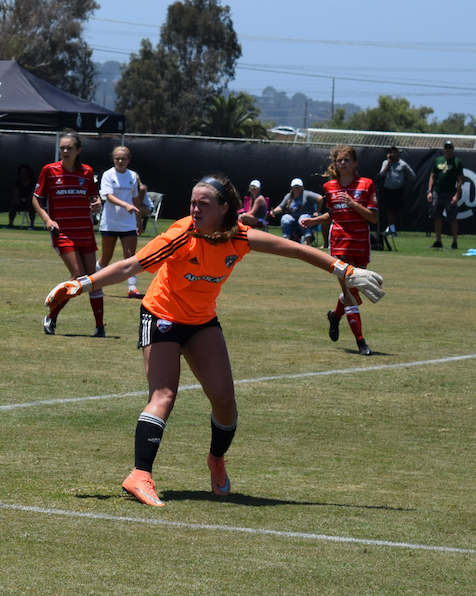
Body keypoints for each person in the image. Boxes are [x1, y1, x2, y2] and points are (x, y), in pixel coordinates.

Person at [44, 173, 385, 507]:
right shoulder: (180, 235)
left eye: (203, 204)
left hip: (202, 320)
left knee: (225, 403)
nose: (195, 209)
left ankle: (216, 459)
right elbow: (129, 266)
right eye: (192, 203)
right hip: (161, 316)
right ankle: (140, 475)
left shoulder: (241, 236)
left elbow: (296, 250)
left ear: (224, 208)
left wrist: (345, 270)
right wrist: (82, 284)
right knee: (164, 395)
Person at [299, 145, 380, 355]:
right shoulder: (330, 187)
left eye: (346, 160)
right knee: (349, 293)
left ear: (354, 163)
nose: (342, 163)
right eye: (339, 160)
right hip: (339, 243)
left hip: (360, 243)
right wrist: (313, 221)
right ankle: (361, 342)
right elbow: (332, 214)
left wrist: (353, 203)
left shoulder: (366, 184)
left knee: (356, 290)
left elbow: (373, 217)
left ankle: (335, 316)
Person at [33, 130, 105, 337]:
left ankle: (99, 327)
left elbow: (94, 198)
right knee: (79, 276)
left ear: (78, 150)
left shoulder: (87, 172)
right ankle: (52, 317)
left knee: (93, 280)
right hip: (63, 233)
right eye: (62, 147)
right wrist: (48, 220)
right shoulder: (50, 170)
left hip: (85, 232)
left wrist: (98, 204)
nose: (65, 150)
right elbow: (36, 199)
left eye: (69, 147)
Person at [98, 146, 150, 298]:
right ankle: (94, 283)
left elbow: (135, 199)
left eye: (123, 158)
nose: (120, 161)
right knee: (105, 258)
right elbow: (108, 196)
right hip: (110, 221)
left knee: (131, 257)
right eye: (117, 158)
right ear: (113, 159)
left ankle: (132, 289)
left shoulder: (133, 176)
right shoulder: (108, 175)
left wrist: (138, 220)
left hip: (128, 222)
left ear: (128, 160)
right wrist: (125, 204)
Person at [427, 141, 464, 249]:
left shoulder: (457, 162)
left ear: (452, 149)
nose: (448, 149)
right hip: (437, 192)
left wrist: (457, 195)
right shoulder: (438, 161)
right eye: (446, 147)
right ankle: (438, 241)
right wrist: (429, 191)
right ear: (443, 149)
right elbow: (432, 176)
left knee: (452, 217)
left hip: (450, 192)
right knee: (437, 216)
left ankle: (455, 242)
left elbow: (460, 180)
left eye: (450, 147)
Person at [377, 145, 415, 236]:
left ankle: (390, 228)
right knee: (389, 210)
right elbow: (381, 174)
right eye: (391, 152)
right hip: (388, 189)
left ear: (398, 153)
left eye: (394, 152)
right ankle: (393, 230)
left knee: (396, 210)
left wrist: (403, 179)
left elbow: (412, 176)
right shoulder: (386, 163)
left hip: (398, 189)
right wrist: (388, 163)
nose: (393, 154)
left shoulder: (402, 164)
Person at [270, 178, 323, 245]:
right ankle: (287, 241)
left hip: (307, 217)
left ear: (302, 187)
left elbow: (320, 198)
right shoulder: (289, 196)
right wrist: (273, 212)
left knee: (302, 218)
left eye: (298, 187)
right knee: (285, 218)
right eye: (295, 187)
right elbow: (281, 207)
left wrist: (317, 212)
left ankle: (307, 240)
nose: (297, 189)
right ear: (292, 188)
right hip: (294, 219)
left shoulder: (307, 194)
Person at [6, 164, 36, 228]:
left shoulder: (33, 182)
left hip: (30, 200)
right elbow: (16, 193)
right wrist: (16, 199)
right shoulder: (18, 182)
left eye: (25, 172)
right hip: (20, 201)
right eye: (21, 172)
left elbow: (33, 195)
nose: (23, 174)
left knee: (32, 204)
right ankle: (10, 224)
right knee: (13, 203)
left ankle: (32, 225)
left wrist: (23, 199)